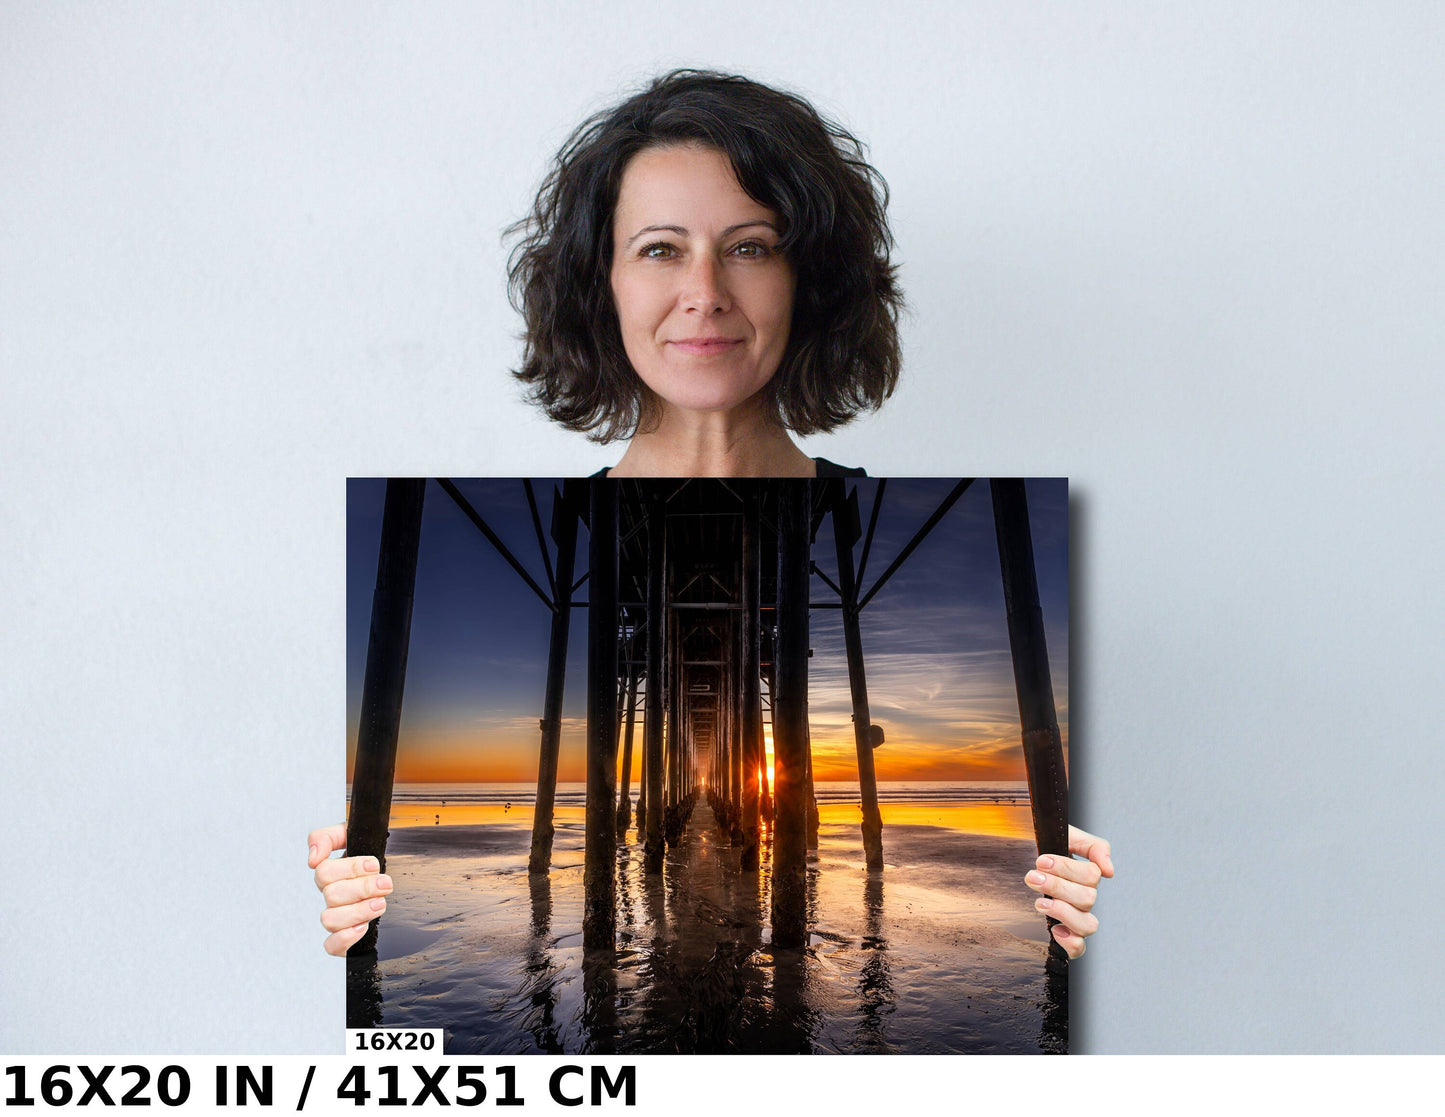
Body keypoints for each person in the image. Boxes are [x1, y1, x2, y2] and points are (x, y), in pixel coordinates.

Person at [310, 69, 1112, 959]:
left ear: (808, 280)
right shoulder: (579, 507)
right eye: (659, 248)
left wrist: (1061, 896)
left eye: (751, 246)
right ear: (600, 282)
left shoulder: (856, 502)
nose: (705, 292)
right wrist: (357, 901)